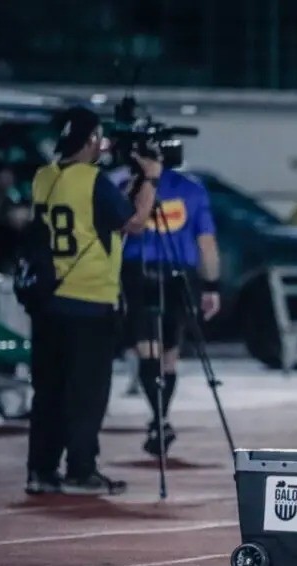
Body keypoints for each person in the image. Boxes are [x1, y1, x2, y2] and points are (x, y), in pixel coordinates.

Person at [25, 105, 161, 495]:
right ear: (88, 142)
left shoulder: (43, 177)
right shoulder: (92, 181)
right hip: (89, 298)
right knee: (85, 393)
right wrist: (149, 178)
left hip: (48, 299)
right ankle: (81, 469)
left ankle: (41, 469)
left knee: (48, 390)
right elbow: (133, 223)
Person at [117, 159, 221, 456]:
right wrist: (211, 285)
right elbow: (206, 242)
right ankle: (162, 417)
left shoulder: (126, 184)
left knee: (147, 348)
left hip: (137, 270)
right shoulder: (192, 189)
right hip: (179, 273)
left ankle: (157, 417)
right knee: (169, 353)